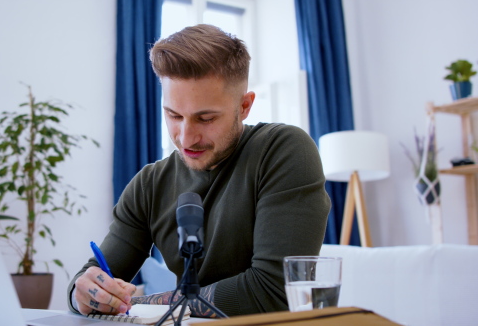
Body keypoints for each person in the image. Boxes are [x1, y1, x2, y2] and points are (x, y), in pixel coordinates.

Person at [67, 24, 330, 318]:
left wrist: (137, 305)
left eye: (205, 118)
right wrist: (85, 292)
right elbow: (91, 280)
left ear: (244, 106)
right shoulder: (149, 184)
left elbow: (272, 292)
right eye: (173, 115)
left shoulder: (283, 151)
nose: (186, 137)